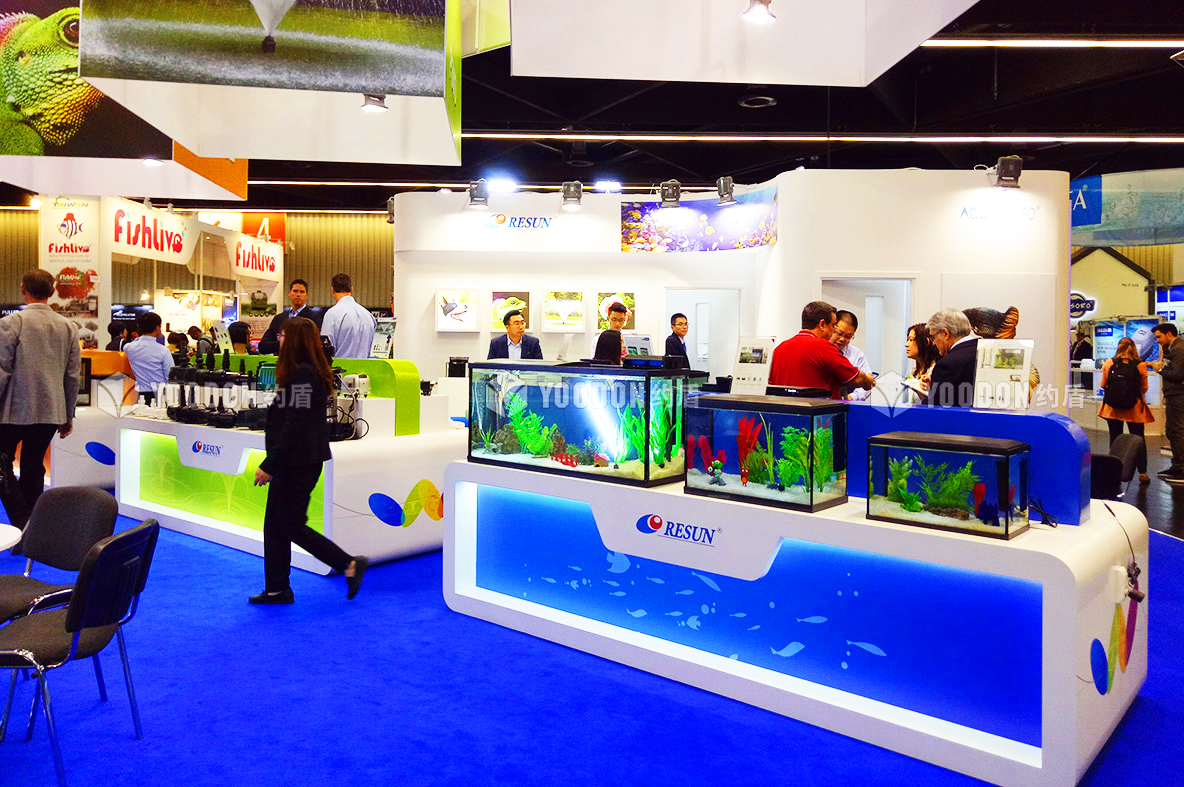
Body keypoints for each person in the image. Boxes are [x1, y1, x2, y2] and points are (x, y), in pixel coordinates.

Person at [251, 317, 368, 604]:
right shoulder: (303, 372)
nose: (279, 340)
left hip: (298, 463)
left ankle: (348, 563)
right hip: (293, 461)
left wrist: (269, 464)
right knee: (275, 526)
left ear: (294, 341)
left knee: (290, 524)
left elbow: (294, 425)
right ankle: (277, 588)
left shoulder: (304, 375)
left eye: (282, 336)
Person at [0, 270, 81, 531]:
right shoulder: (68, 327)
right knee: (33, 466)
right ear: (53, 291)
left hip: (12, 410)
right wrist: (67, 415)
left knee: (3, 463)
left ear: (23, 289)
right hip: (50, 410)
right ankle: (32, 526)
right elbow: (72, 376)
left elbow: (2, 370)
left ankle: (23, 520)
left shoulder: (11, 323)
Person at [769, 301, 875, 399]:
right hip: (816, 411)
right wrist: (868, 381)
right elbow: (857, 379)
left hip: (783, 410)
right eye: (833, 325)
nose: (833, 330)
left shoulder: (779, 349)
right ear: (822, 324)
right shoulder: (823, 347)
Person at [1097, 337, 1154, 483]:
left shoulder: (1109, 363)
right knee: (1139, 439)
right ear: (1134, 348)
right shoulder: (1140, 365)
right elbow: (1144, 388)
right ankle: (1142, 472)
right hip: (1134, 408)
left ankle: (1114, 470)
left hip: (1112, 408)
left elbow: (1103, 384)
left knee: (1115, 438)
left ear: (1118, 348)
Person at [1150, 323, 1184, 482]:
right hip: (1174, 395)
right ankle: (1177, 465)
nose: (1157, 340)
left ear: (1169, 333)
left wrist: (1160, 370)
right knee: (1172, 431)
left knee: (1176, 431)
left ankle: (1181, 468)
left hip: (1178, 396)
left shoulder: (1178, 350)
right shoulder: (1173, 349)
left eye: (1159, 337)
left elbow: (1178, 375)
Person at [926, 308, 978, 408]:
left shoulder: (947, 365)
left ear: (945, 333)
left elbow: (935, 408)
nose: (933, 343)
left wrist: (929, 392)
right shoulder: (984, 350)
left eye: (933, 337)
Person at [257, 279, 322, 354]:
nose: (298, 294)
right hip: (281, 360)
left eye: (302, 292)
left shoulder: (313, 318)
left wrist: (283, 342)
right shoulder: (279, 319)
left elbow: (314, 345)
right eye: (295, 291)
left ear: (306, 295)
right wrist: (284, 343)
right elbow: (263, 346)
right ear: (289, 293)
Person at [321, 273, 376, 359]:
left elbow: (326, 348)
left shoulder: (332, 314)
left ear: (332, 290)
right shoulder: (368, 315)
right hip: (366, 366)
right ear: (351, 289)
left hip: (340, 366)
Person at [124, 312, 175, 405]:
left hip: (140, 394)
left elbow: (134, 343)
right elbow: (170, 375)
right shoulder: (163, 351)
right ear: (157, 328)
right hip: (160, 394)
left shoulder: (129, 348)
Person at [830, 310, 873, 401]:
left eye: (848, 336)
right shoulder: (820, 349)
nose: (842, 339)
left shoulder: (857, 355)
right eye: (839, 333)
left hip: (847, 403)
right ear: (832, 327)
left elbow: (867, 384)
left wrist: (849, 398)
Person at [903, 322, 940, 403]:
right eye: (908, 340)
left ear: (926, 342)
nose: (906, 344)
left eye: (911, 340)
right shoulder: (918, 370)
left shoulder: (934, 370)